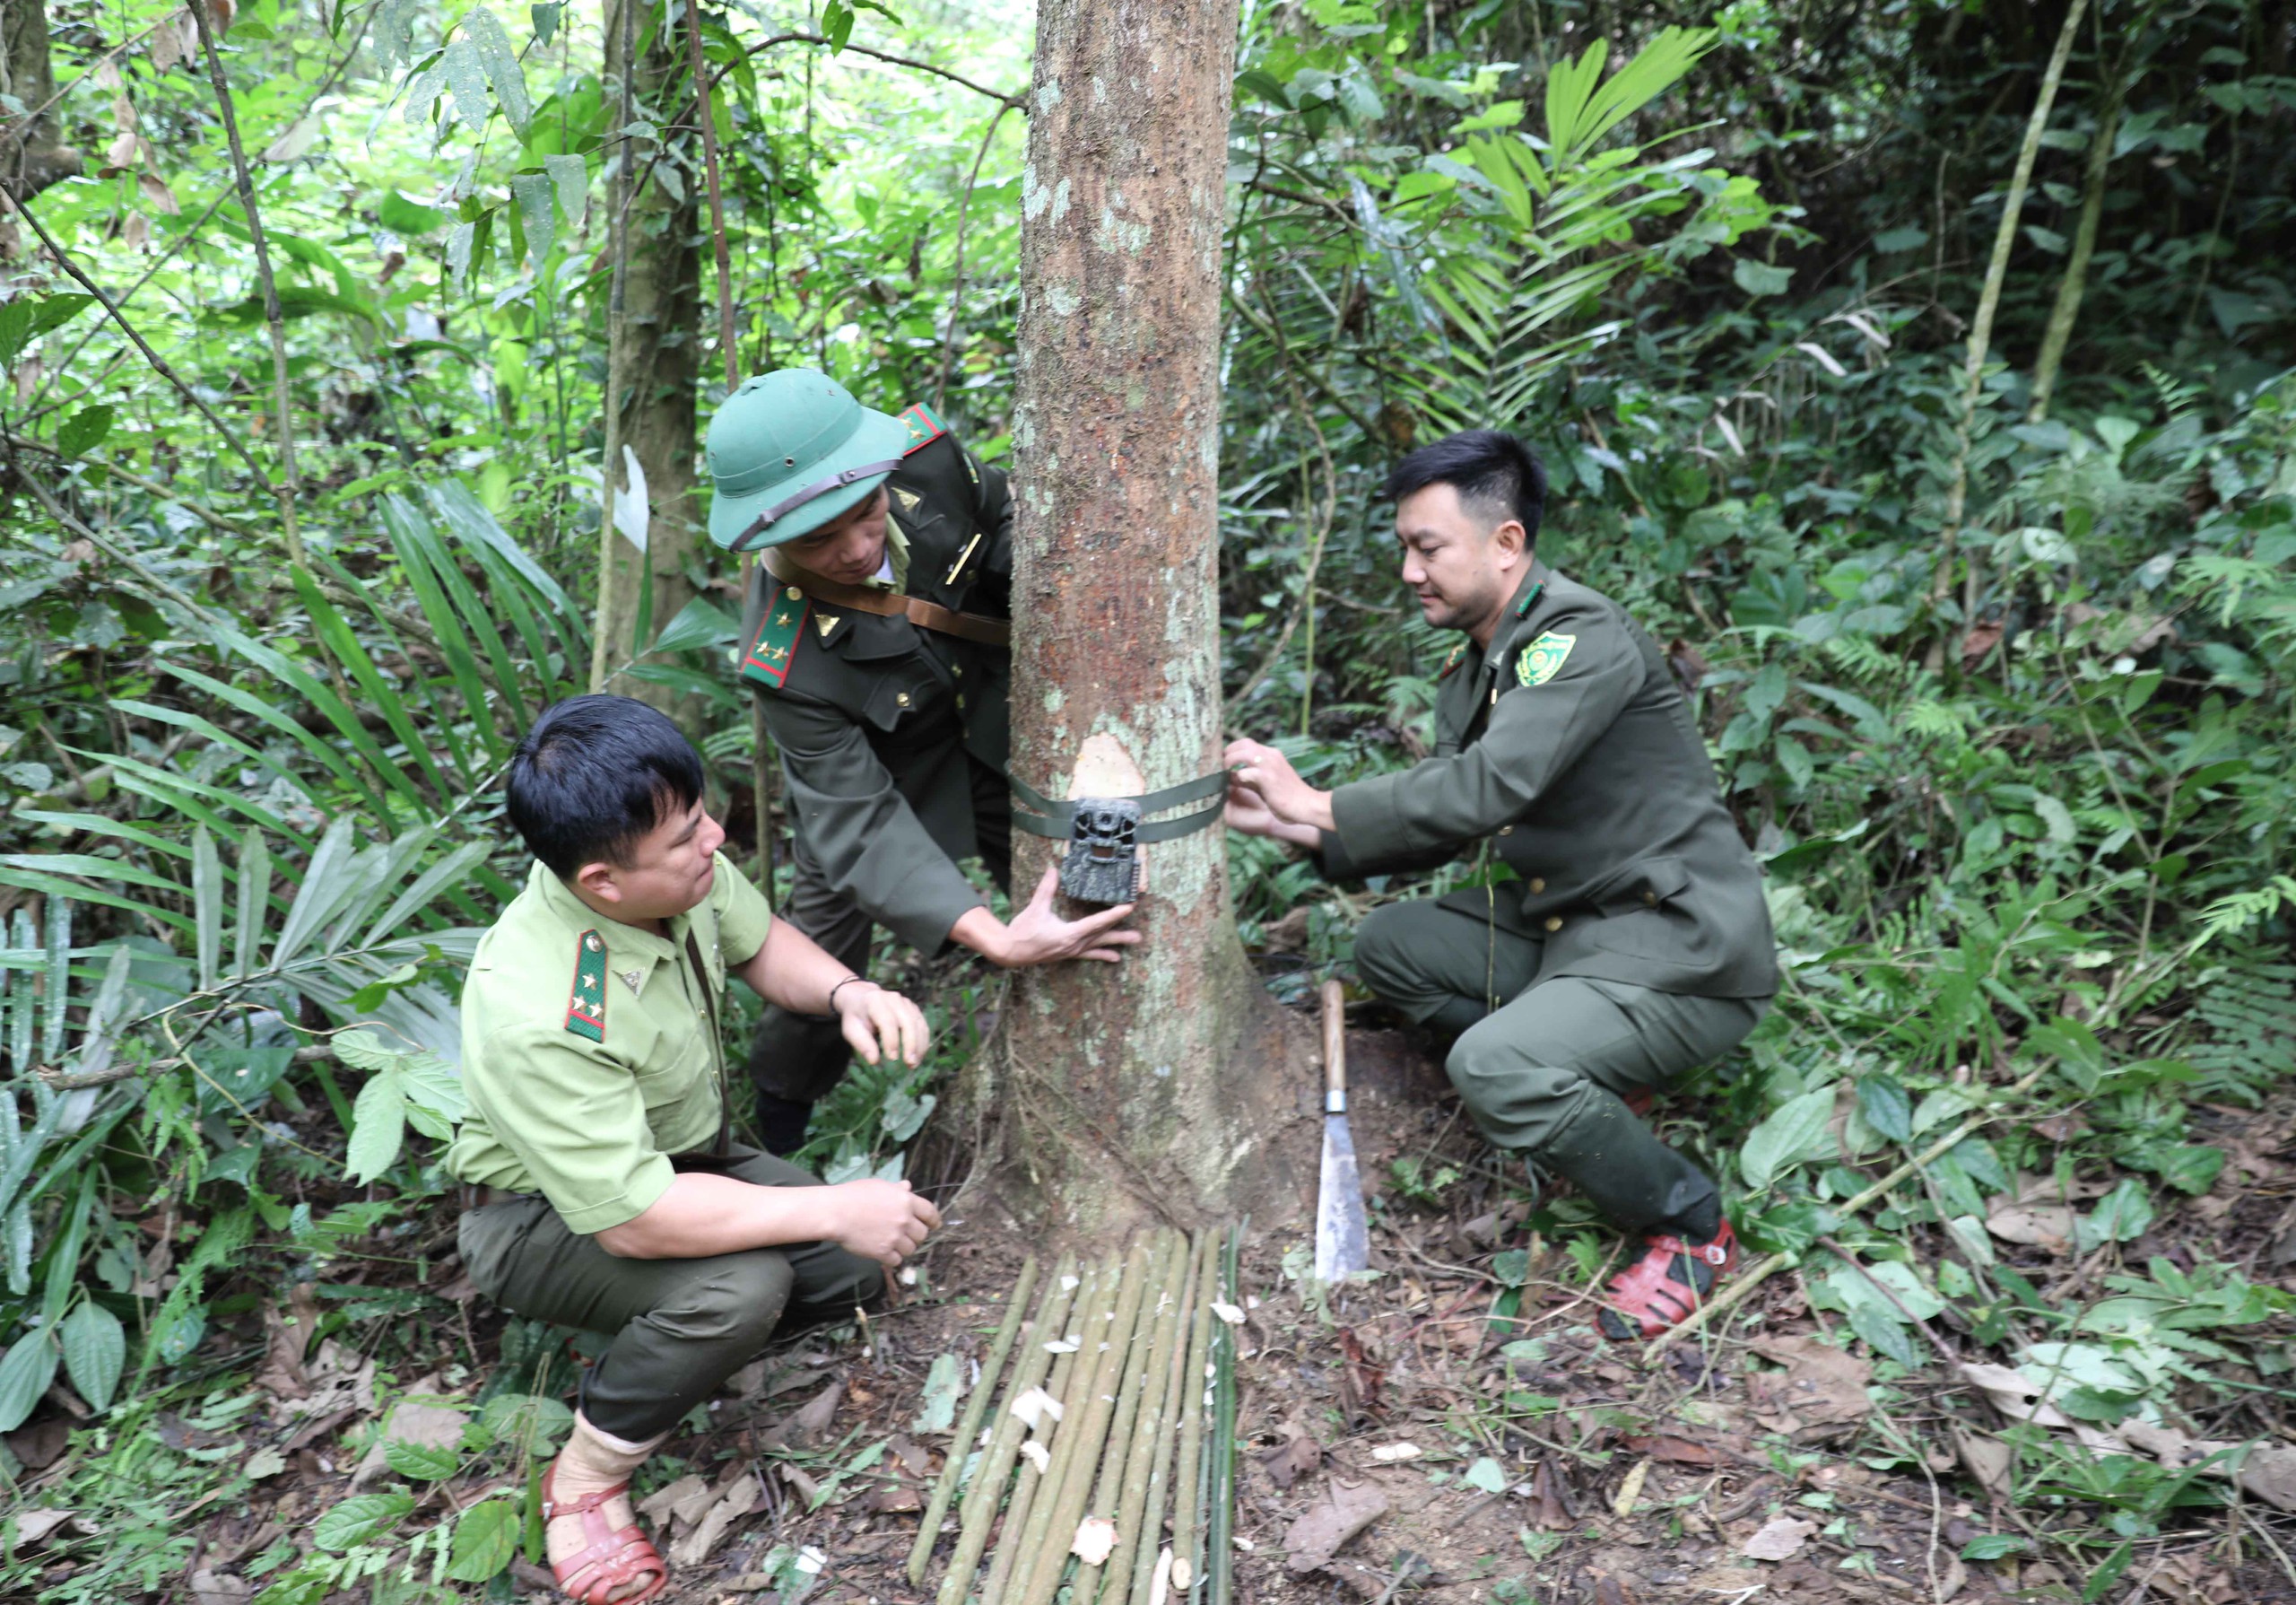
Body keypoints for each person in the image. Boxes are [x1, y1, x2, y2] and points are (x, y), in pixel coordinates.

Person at [1223, 430, 1779, 1341]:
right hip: (1574, 927)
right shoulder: (1483, 656)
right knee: (1389, 948)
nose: (1409, 570)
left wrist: (1316, 796)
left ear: (1507, 542)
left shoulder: (1577, 637)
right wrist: (1296, 826)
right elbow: (1461, 817)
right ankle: (1585, 1077)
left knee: (1492, 1063)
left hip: (1679, 949)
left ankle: (1687, 1223)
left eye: (1428, 547)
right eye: (1404, 546)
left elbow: (1492, 786)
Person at [446, 694, 941, 1604]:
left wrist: (845, 992)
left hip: (679, 1164)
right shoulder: (538, 1006)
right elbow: (634, 1218)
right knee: (742, 1287)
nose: (715, 836)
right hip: (541, 1216)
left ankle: (653, 1337)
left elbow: (759, 945)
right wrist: (833, 1203)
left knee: (848, 1271)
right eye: (686, 835)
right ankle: (584, 1478)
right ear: (602, 881)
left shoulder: (680, 874)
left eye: (702, 813)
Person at [703, 368, 1140, 1154]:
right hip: (891, 776)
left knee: (1081, 890)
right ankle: (780, 1125)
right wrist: (991, 936)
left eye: (866, 514)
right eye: (816, 539)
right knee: (823, 957)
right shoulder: (784, 660)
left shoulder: (927, 459)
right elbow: (860, 822)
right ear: (768, 537)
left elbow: (1002, 516)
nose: (856, 548)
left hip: (1004, 729)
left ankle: (1111, 1076)